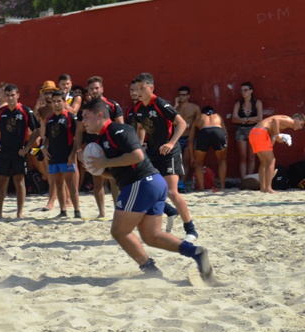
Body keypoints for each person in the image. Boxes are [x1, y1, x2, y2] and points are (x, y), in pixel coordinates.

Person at [80, 98, 213, 279]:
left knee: (119, 231)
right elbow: (117, 172)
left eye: (86, 117)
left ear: (100, 115)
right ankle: (195, 252)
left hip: (142, 183)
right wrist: (96, 169)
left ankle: (149, 270)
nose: (83, 122)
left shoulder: (118, 130)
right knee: (152, 236)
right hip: (150, 183)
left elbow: (137, 156)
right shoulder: (102, 138)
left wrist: (106, 162)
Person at [133, 72, 198, 242]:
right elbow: (140, 128)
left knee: (171, 191)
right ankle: (169, 211)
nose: (138, 92)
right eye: (136, 89)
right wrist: (139, 146)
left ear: (151, 88)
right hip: (153, 153)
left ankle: (190, 229)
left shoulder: (160, 104)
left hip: (169, 152)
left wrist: (171, 143)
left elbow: (182, 124)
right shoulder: (138, 109)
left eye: (142, 88)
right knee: (146, 190)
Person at [73, 76, 125, 217]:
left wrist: (121, 147)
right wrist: (78, 150)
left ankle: (118, 211)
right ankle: (102, 213)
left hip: (111, 146)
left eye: (97, 88)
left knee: (114, 179)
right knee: (97, 180)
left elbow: (121, 127)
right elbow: (78, 130)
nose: (94, 91)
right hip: (93, 147)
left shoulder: (112, 105)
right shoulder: (85, 108)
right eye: (92, 88)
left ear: (102, 88)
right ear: (88, 90)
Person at [0, 83, 41, 220]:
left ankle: (20, 212)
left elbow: (37, 130)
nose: (11, 98)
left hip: (19, 152)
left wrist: (27, 147)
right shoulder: (1, 112)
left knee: (19, 181)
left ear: (17, 95)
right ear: (4, 96)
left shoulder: (25, 110)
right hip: (4, 151)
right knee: (1, 181)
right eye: (8, 95)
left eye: (13, 95)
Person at [40, 90, 80, 218]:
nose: (56, 104)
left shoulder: (70, 117)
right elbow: (47, 137)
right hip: (53, 156)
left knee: (71, 184)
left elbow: (77, 138)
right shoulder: (50, 119)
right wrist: (43, 147)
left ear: (64, 102)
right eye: (54, 101)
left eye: (59, 101)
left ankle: (77, 211)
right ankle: (63, 211)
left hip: (66, 155)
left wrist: (73, 154)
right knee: (57, 184)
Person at [248, 113, 305, 193]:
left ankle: (263, 188)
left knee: (264, 162)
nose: (301, 127)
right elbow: (275, 120)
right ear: (297, 120)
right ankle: (268, 188)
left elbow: (273, 137)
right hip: (261, 133)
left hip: (254, 133)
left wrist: (273, 142)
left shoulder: (281, 125)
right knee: (271, 161)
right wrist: (278, 136)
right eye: (301, 124)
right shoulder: (290, 120)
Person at [189, 106, 229, 191]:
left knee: (198, 163)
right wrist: (225, 149)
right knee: (222, 160)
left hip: (204, 132)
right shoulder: (218, 116)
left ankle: (201, 187)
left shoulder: (198, 117)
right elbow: (225, 134)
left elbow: (191, 140)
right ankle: (222, 186)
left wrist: (192, 157)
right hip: (218, 132)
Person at [231, 82, 263, 179]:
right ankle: (243, 179)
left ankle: (249, 178)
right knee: (242, 157)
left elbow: (260, 118)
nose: (243, 92)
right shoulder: (238, 103)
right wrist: (249, 119)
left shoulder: (257, 102)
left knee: (252, 157)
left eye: (245, 90)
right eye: (241, 90)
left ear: (251, 91)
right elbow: (233, 119)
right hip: (241, 130)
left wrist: (243, 120)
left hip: (254, 130)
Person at [174, 86, 201, 187]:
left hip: (189, 137)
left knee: (186, 160)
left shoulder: (194, 108)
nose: (182, 97)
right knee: (176, 161)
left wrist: (192, 125)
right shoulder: (176, 107)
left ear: (188, 96)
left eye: (184, 95)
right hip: (177, 137)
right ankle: (176, 182)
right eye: (180, 95)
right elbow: (168, 119)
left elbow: (199, 122)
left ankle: (182, 182)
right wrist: (175, 106)